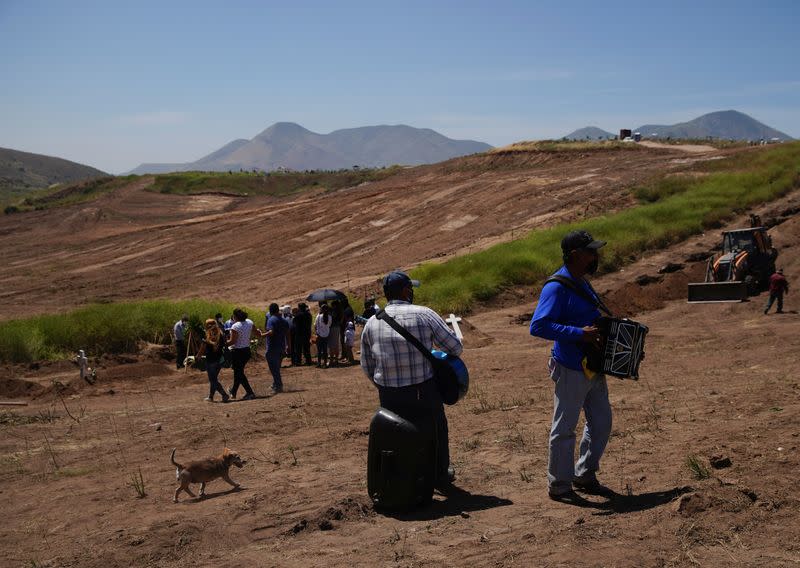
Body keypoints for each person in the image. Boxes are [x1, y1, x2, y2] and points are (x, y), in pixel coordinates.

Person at [529, 229, 613, 503]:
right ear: (576, 255)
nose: (595, 256)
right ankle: (560, 486)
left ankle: (584, 474)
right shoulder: (556, 286)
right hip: (570, 368)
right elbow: (538, 326)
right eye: (591, 252)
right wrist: (579, 334)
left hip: (593, 365)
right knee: (564, 428)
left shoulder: (583, 282)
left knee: (601, 423)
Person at [360, 270, 463, 492]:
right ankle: (439, 475)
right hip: (423, 390)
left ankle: (398, 476)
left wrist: (384, 384)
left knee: (394, 434)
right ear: (406, 290)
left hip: (388, 394)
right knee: (436, 429)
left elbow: (367, 365)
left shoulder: (371, 323)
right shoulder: (424, 314)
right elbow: (456, 347)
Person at [227, 308, 264, 401]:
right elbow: (257, 334)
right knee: (238, 372)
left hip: (237, 352)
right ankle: (234, 392)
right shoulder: (249, 322)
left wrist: (222, 343)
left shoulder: (235, 326)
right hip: (246, 351)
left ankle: (249, 392)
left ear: (235, 316)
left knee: (239, 372)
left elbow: (232, 341)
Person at [197, 319, 229, 403]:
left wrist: (198, 357)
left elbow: (203, 347)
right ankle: (211, 397)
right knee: (214, 379)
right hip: (219, 360)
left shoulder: (208, 335)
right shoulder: (221, 334)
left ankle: (224, 394)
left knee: (213, 380)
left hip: (211, 360)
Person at [265, 303, 290, 394]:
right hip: (281, 347)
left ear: (270, 310)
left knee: (273, 368)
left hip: (272, 347)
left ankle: (279, 386)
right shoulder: (284, 321)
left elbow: (271, 332)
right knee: (277, 367)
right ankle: (275, 383)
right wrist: (288, 346)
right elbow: (288, 334)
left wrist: (262, 335)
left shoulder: (271, 320)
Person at [329, 299, 343, 366]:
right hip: (337, 327)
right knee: (336, 344)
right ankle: (336, 359)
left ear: (334, 305)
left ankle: (332, 360)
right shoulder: (340, 310)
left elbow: (332, 318)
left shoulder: (334, 311)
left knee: (332, 344)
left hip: (333, 328)